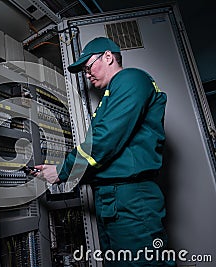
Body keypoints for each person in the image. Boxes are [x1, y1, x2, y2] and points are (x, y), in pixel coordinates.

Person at [33, 37, 175, 266]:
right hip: (110, 197)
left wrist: (63, 171)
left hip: (131, 196)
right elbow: (104, 154)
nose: (87, 75)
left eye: (88, 67)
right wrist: (61, 173)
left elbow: (105, 140)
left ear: (108, 57)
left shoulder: (131, 79)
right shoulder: (112, 95)